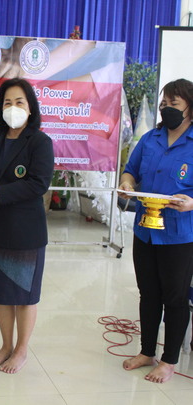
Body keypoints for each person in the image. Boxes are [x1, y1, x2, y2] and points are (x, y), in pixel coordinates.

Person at [0, 78, 54, 374]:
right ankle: (6, 345)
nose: (13, 107)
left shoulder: (40, 142)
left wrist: (0, 192)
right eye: (7, 102)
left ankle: (21, 350)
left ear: (31, 107)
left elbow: (38, 184)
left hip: (25, 231)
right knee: (1, 293)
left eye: (19, 101)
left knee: (24, 295)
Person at [119, 78, 193, 383]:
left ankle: (169, 360)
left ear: (190, 108)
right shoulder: (151, 139)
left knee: (175, 297)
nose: (166, 108)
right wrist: (126, 184)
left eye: (174, 103)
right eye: (164, 103)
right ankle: (147, 351)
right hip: (144, 231)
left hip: (179, 235)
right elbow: (130, 171)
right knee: (148, 293)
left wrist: (191, 203)